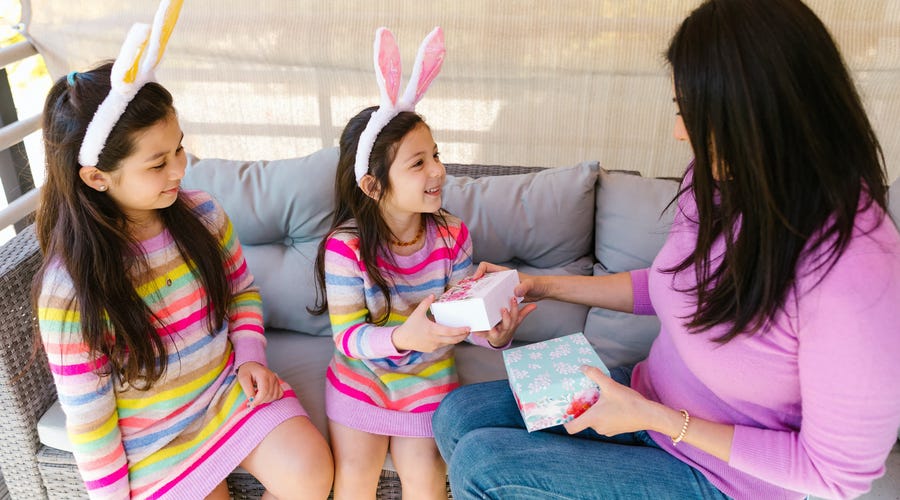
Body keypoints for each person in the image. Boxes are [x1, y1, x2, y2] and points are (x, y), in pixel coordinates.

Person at [432, 0, 900, 498]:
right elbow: (670, 285)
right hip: (645, 401)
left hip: (724, 475)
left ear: (757, 114)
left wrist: (657, 419)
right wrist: (539, 286)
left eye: (691, 115)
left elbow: (838, 476)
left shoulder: (856, 272)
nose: (681, 132)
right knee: (457, 416)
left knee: (485, 467)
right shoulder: (720, 180)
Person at [33, 3, 332, 499]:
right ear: (96, 177)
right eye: (157, 163)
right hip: (152, 441)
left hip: (228, 394)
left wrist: (251, 357)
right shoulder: (70, 291)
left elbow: (243, 292)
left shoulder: (204, 214)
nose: (179, 169)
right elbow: (89, 418)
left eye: (179, 149)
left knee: (311, 473)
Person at [311, 27, 534, 499]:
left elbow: (461, 314)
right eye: (417, 163)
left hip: (430, 386)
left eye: (436, 154)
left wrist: (492, 334)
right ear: (373, 186)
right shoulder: (345, 248)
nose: (438, 170)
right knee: (354, 487)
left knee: (427, 489)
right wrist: (400, 337)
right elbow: (347, 337)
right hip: (361, 383)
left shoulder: (452, 234)